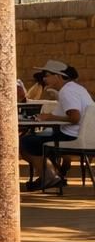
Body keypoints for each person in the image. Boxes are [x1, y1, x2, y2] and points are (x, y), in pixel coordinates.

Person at [21, 60, 93, 190]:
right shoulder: (77, 88)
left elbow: (75, 117)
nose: (44, 78)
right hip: (82, 135)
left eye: (47, 75)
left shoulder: (67, 91)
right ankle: (54, 175)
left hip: (71, 135)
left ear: (58, 76)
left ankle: (49, 176)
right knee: (39, 138)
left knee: (25, 142)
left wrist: (49, 117)